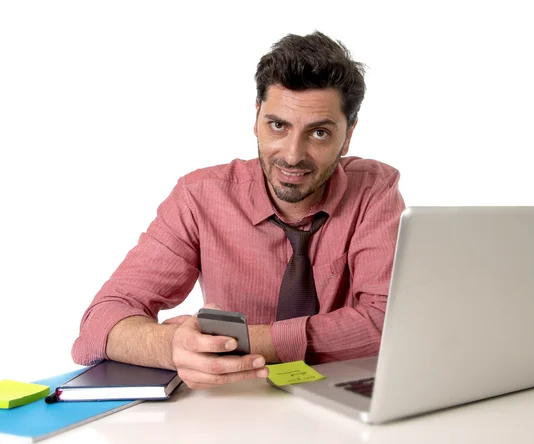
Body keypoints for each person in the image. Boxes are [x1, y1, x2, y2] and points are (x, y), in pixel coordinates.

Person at [72, 31, 406, 390]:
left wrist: (242, 342)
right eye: (278, 125)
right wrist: (176, 346)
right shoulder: (200, 197)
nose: (293, 155)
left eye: (320, 133)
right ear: (256, 118)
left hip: (345, 407)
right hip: (234, 407)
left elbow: (390, 322)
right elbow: (99, 324)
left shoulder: (373, 189)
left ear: (349, 134)